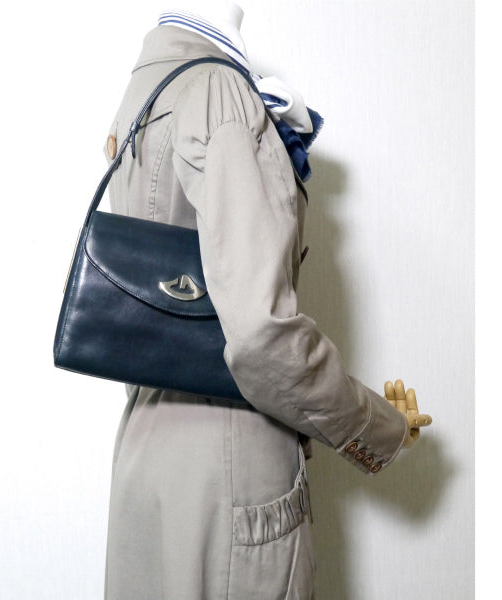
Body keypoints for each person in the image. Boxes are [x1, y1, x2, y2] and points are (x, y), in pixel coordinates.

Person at [102, 2, 431, 598]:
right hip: (231, 470)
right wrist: (379, 426)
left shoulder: (147, 87)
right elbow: (260, 335)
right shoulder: (219, 92)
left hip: (148, 456)